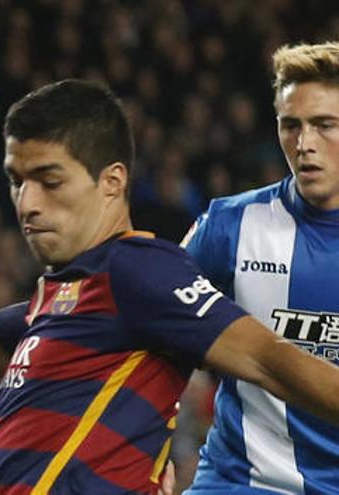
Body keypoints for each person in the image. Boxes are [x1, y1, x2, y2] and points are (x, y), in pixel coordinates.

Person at [0, 79, 339, 494]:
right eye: (16, 181)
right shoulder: (74, 286)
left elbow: (268, 359)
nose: (27, 203)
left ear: (112, 182)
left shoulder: (140, 271)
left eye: (49, 181)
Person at [182, 41, 339, 494]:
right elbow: (155, 322)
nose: (304, 144)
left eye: (324, 125)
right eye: (291, 125)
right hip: (240, 482)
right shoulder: (229, 225)